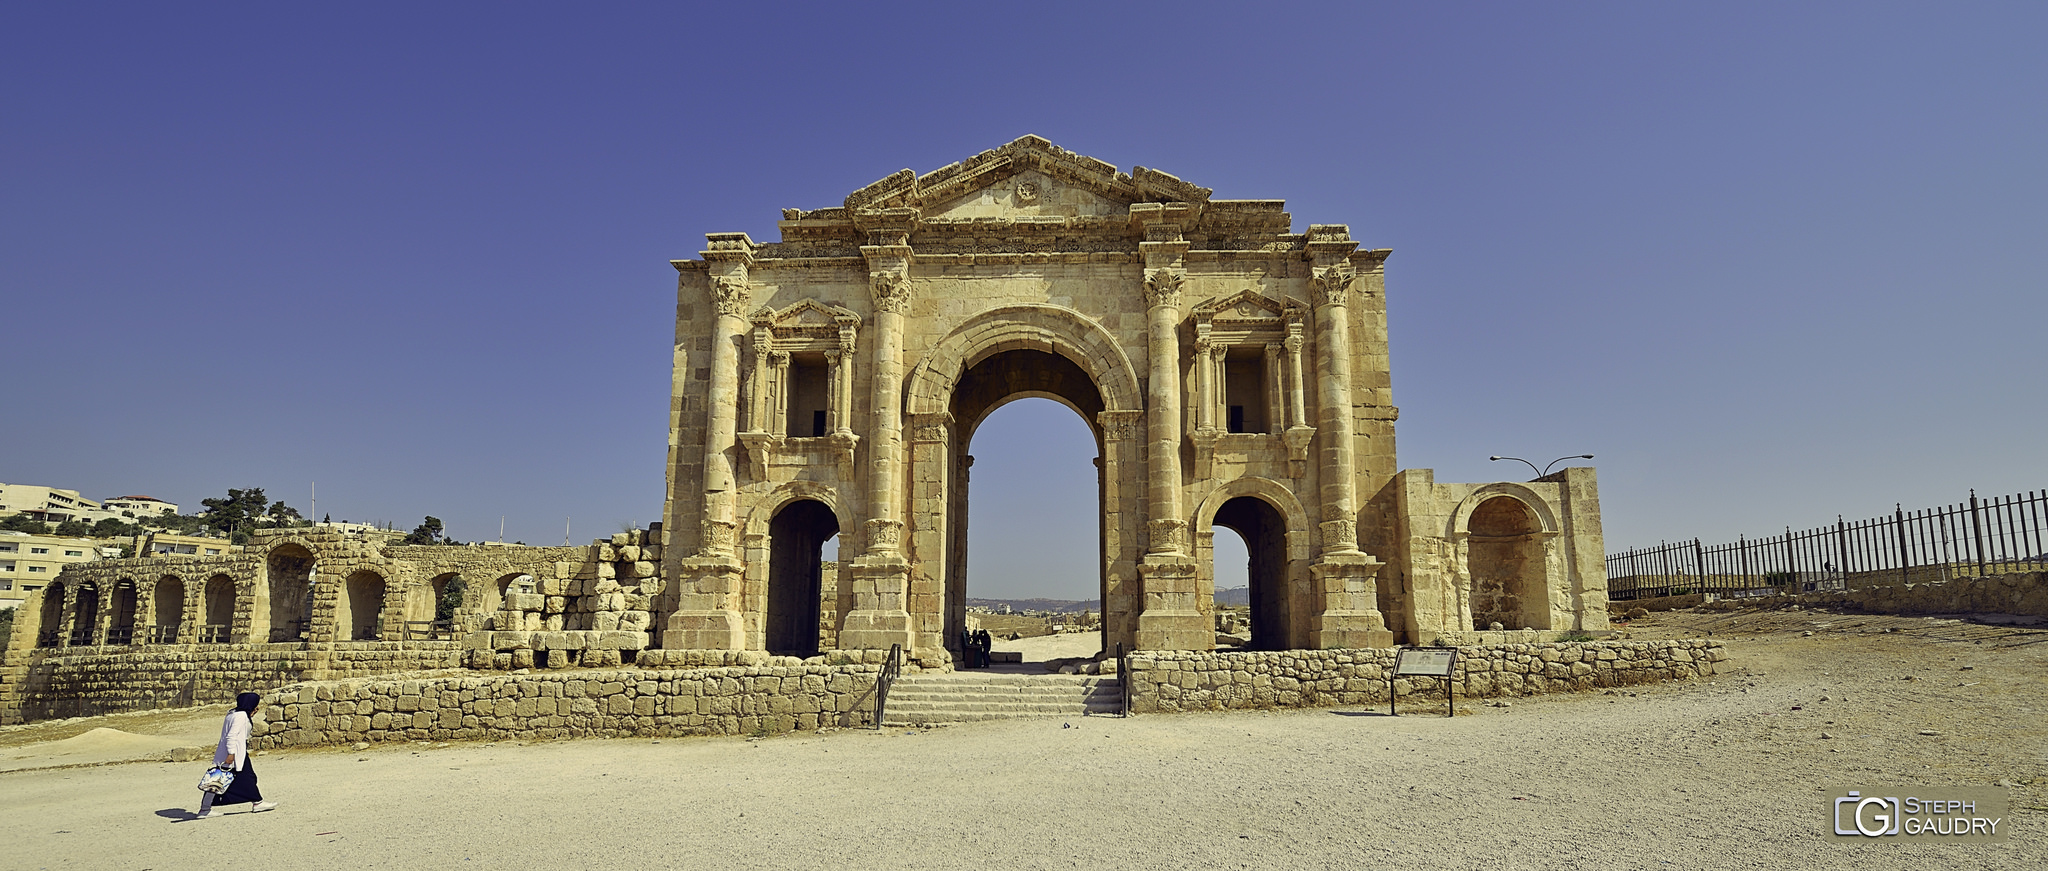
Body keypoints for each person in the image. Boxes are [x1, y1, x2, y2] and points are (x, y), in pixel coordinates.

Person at [196, 692, 277, 818]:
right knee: (223, 779)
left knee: (220, 779)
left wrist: (250, 716)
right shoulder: (240, 716)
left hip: (234, 753)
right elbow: (232, 736)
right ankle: (257, 803)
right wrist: (231, 753)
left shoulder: (233, 713)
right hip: (234, 754)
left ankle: (205, 809)